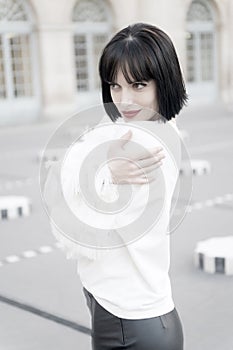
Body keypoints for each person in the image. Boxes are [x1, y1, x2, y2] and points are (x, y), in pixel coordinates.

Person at [45, 23, 187, 350]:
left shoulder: (144, 147)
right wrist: (99, 166)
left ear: (162, 81)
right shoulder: (145, 126)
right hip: (126, 311)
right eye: (114, 85)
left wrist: (97, 170)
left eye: (138, 85)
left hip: (131, 322)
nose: (124, 100)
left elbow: (85, 227)